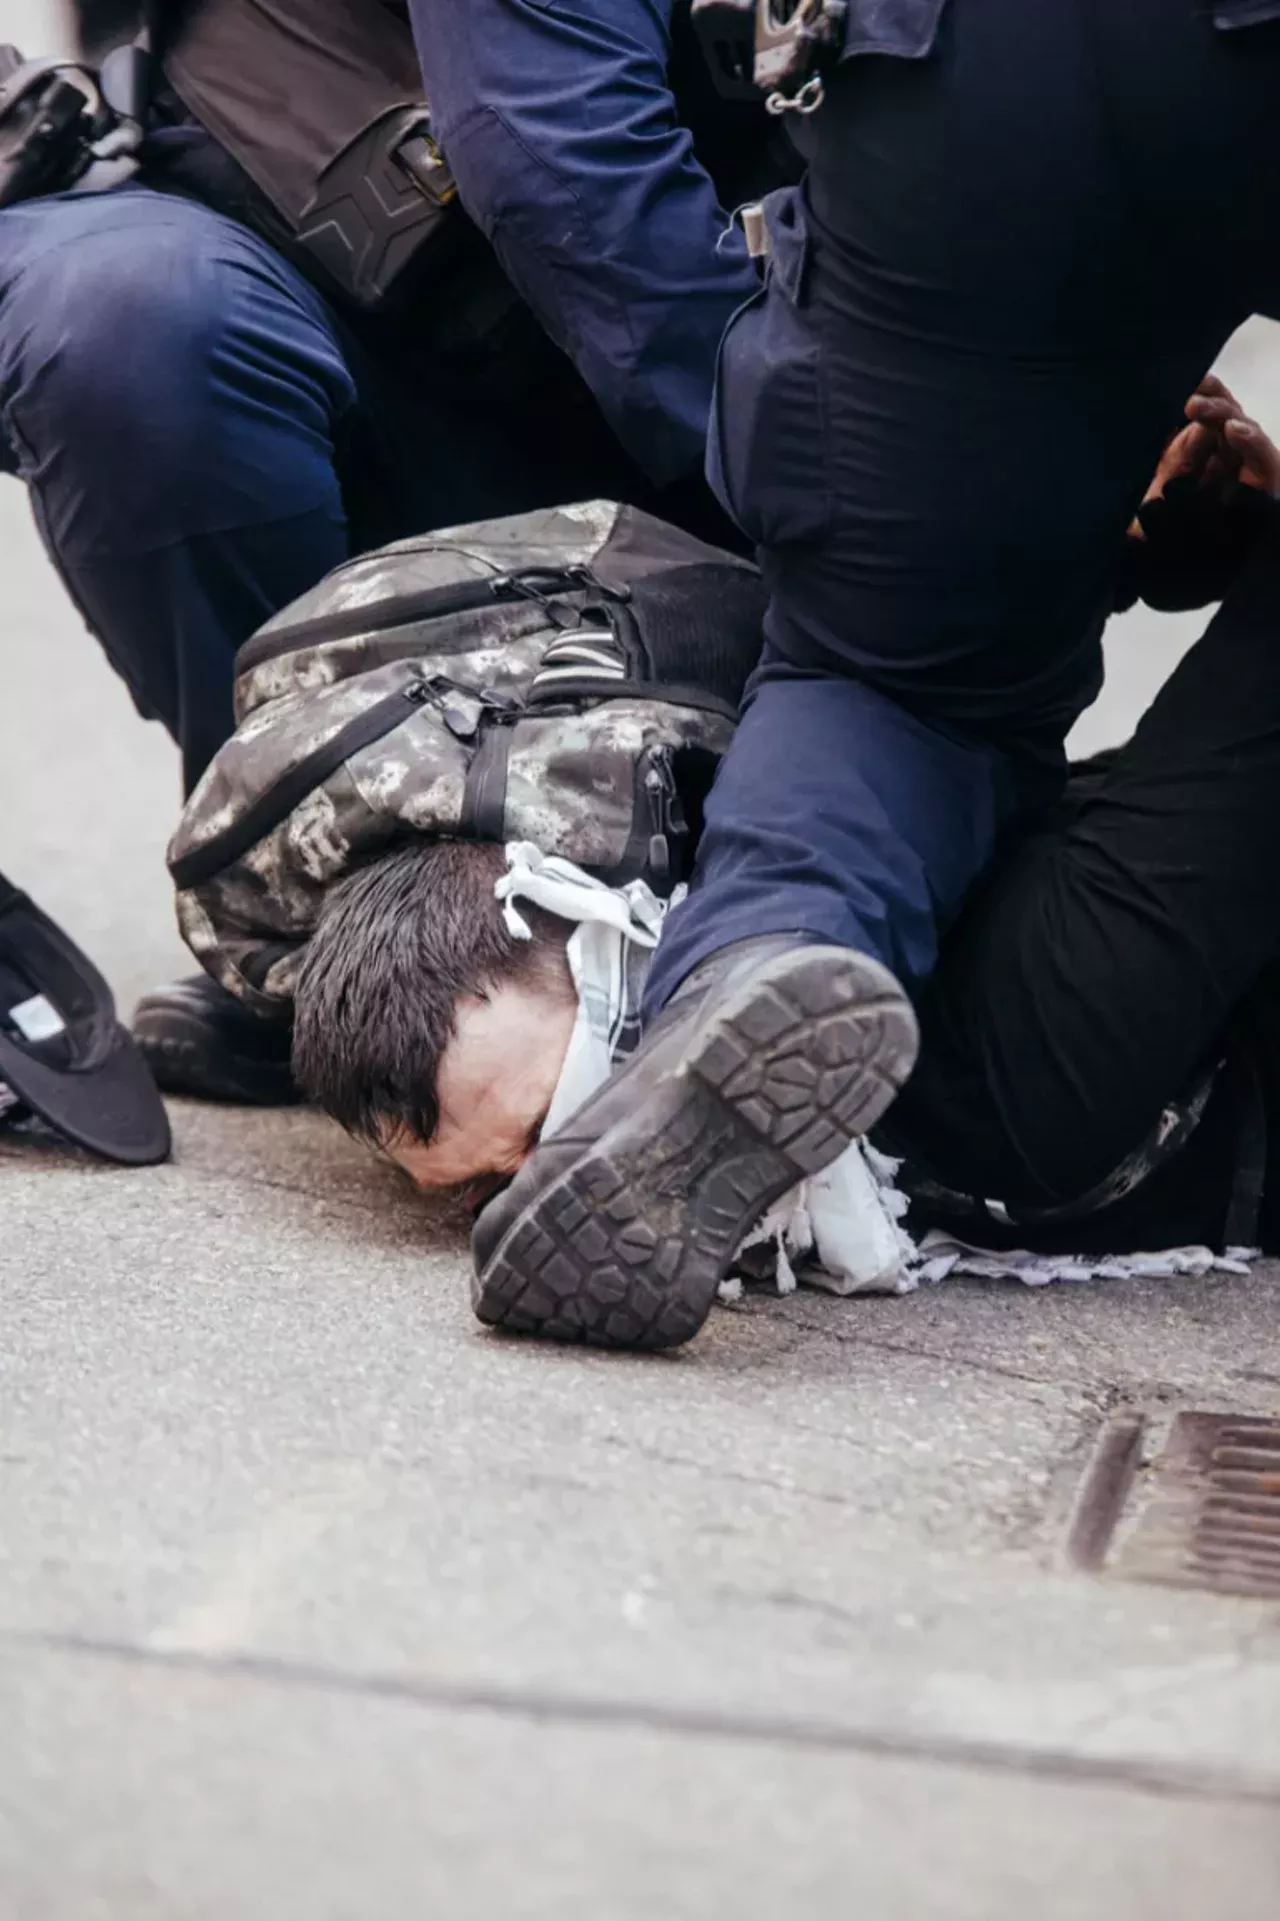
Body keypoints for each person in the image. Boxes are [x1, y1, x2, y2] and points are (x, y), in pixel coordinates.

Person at [419, 0, 1280, 1342]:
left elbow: (536, 122)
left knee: (896, 680)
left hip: (971, 75)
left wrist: (780, 424)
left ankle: (757, 956)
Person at [286, 375, 1280, 1336]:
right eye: (478, 1195)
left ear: (636, 941)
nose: (554, 1198)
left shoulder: (1011, 1065)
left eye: (557, 1125)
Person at [2, 0, 774, 1104]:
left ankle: (611, 937)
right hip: (274, 257)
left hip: (685, 382)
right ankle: (302, 896)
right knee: (129, 321)